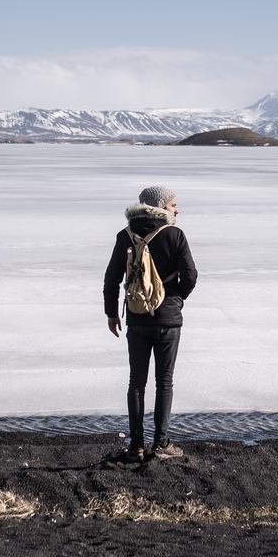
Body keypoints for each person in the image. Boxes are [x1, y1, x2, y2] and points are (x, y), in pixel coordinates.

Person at [103, 184, 198, 463]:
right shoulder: (175, 235)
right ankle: (161, 443)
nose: (177, 210)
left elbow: (112, 279)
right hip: (168, 319)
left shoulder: (125, 236)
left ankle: (136, 446)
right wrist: (176, 298)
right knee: (164, 382)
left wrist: (112, 313)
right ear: (160, 206)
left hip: (136, 318)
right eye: (173, 205)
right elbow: (191, 275)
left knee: (136, 382)